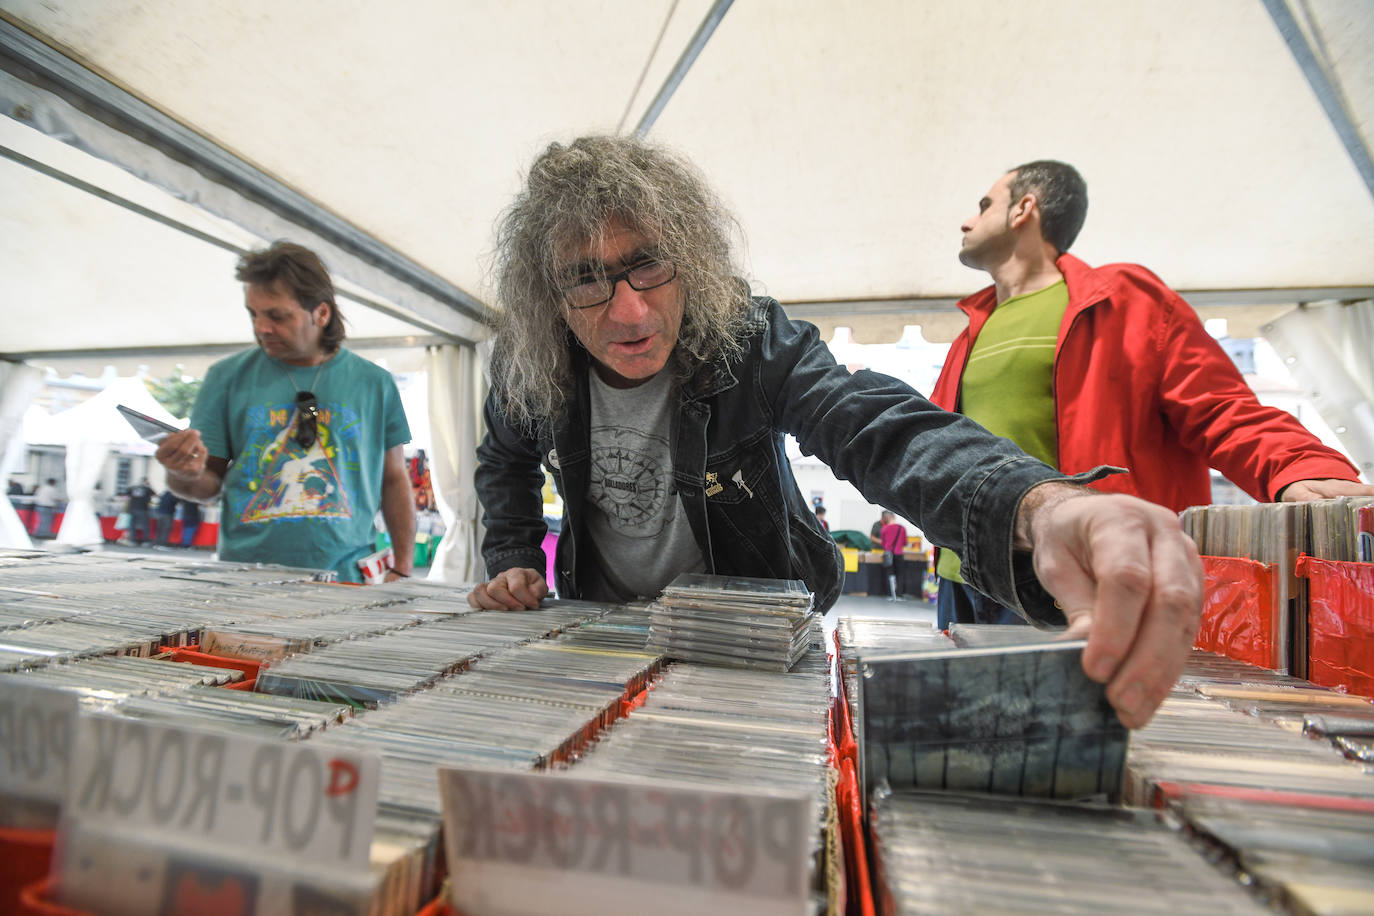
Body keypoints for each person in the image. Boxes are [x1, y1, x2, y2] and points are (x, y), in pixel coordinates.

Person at [468, 134, 1205, 729]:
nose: (629, 313)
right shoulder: (530, 362)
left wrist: (1040, 507)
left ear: (689, 258)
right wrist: (510, 554)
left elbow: (871, 425)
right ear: (548, 295)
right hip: (606, 626)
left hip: (753, 633)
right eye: (587, 280)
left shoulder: (750, 340)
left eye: (648, 266)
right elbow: (504, 460)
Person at [931, 160, 1374, 628]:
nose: (967, 221)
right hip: (960, 575)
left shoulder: (1122, 298)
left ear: (1025, 209)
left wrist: (1298, 465)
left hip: (1077, 577)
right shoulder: (973, 327)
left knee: (1083, 703)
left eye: (984, 206)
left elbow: (1220, 406)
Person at [154, 241, 416, 583]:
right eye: (253, 314)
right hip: (243, 577)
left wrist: (403, 567)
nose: (262, 327)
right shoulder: (226, 377)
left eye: (277, 315)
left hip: (348, 578)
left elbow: (394, 478)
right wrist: (183, 473)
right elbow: (206, 483)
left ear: (321, 314)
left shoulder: (375, 383)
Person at [879, 510, 907, 600]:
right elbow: (905, 542)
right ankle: (899, 594)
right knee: (900, 574)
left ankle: (890, 594)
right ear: (894, 517)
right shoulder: (902, 528)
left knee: (889, 573)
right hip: (899, 553)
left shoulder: (884, 529)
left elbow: (883, 543)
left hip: (888, 555)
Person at [125, 478, 155, 545]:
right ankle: (145, 541)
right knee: (145, 526)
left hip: (133, 508)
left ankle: (132, 541)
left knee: (132, 526)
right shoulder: (147, 489)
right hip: (143, 509)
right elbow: (155, 494)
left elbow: (127, 494)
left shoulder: (133, 488)